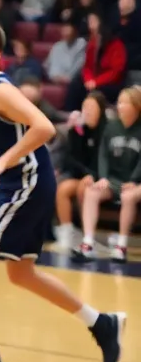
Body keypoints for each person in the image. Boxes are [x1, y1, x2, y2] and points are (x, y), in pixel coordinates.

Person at [0, 23, 125, 362]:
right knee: (21, 273)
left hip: (25, 182)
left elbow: (42, 127)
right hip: (23, 183)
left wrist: (0, 161)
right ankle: (101, 323)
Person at [76, 86, 141, 262]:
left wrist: (134, 181)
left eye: (124, 102)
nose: (119, 106)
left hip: (136, 182)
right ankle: (87, 243)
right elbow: (103, 155)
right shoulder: (112, 127)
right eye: (119, 102)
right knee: (91, 192)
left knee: (128, 197)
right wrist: (103, 177)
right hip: (114, 179)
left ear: (136, 106)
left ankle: (121, 246)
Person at [54, 91, 106, 251]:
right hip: (83, 176)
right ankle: (66, 232)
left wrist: (93, 176)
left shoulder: (106, 131)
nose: (87, 110)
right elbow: (70, 159)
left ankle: (87, 236)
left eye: (92, 107)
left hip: (102, 177)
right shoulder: (77, 130)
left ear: (101, 110)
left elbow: (104, 159)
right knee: (62, 188)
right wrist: (77, 132)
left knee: (85, 188)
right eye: (85, 106)